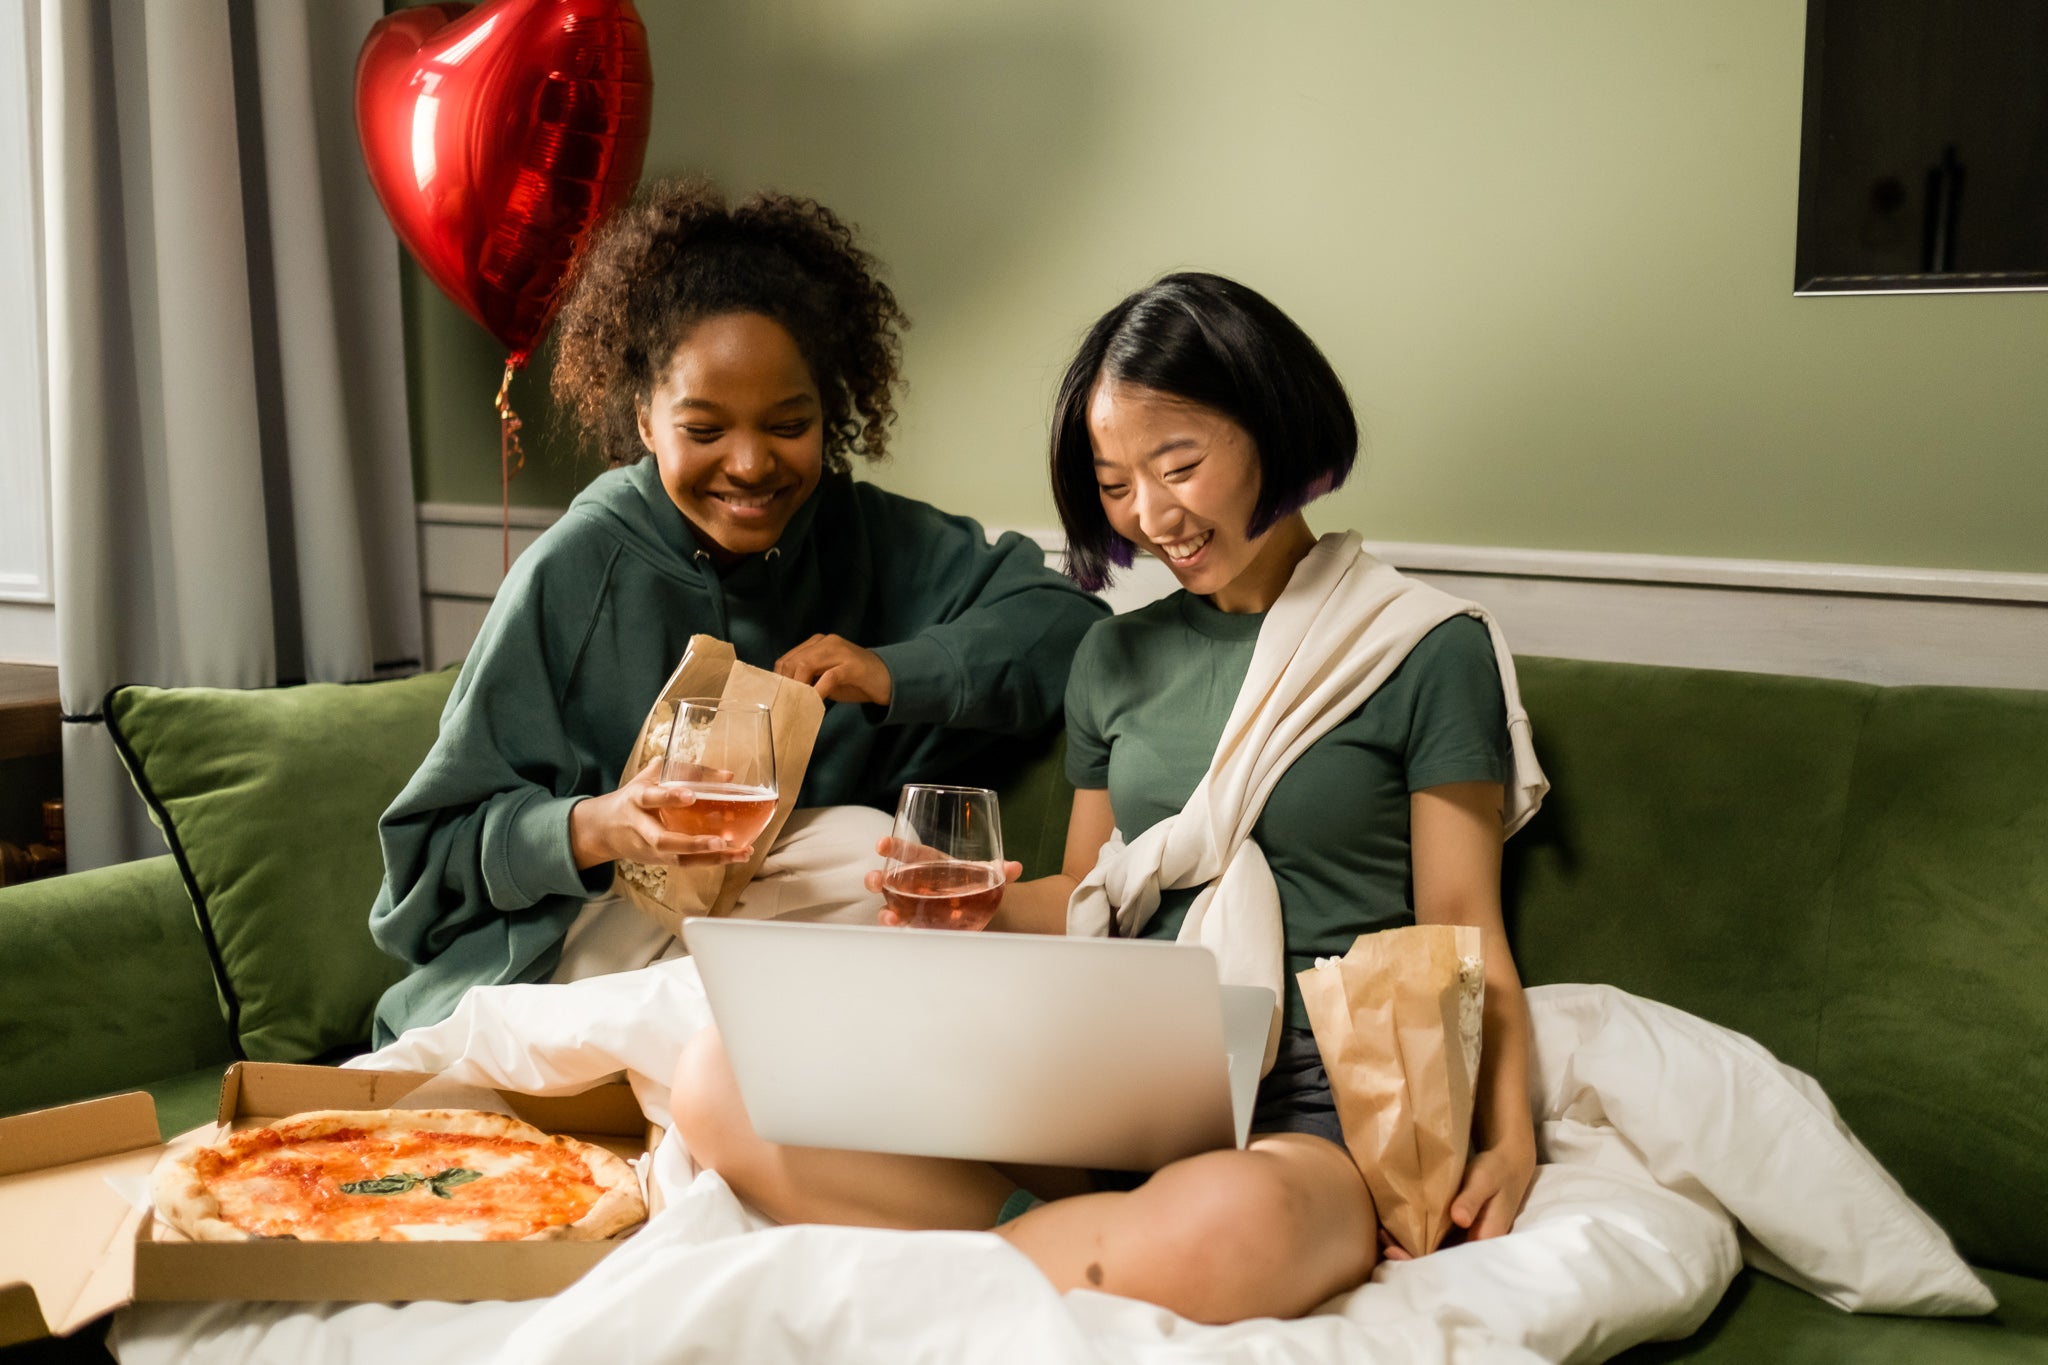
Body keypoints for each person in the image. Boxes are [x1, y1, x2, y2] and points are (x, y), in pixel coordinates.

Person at [671, 272, 1548, 1324]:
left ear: (1272, 426)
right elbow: (1091, 896)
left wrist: (1508, 1137)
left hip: (1307, 1115)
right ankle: (1034, 1251)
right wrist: (983, 905)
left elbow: (1463, 931)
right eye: (1115, 483)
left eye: (1178, 465)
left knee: (1238, 1222)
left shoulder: (1420, 646)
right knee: (720, 1080)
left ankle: (946, 1269)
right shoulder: (1114, 656)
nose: (1151, 514)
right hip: (1108, 1087)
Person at [368, 180, 1108, 1046]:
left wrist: (888, 672)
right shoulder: (576, 571)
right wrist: (601, 824)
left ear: (830, 415)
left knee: (872, 848)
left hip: (765, 942)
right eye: (705, 429)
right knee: (763, 1020)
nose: (752, 465)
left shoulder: (857, 531)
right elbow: (426, 859)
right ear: (644, 418)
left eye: (788, 423)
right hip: (565, 957)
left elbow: (1065, 625)